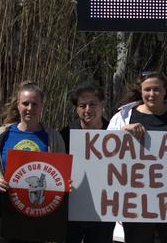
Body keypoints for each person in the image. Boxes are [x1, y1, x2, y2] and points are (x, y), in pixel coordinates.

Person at [108, 71, 167, 243]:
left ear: (165, 90)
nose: (151, 94)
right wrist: (123, 132)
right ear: (140, 91)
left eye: (156, 89)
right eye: (147, 89)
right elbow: (106, 153)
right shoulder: (123, 116)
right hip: (135, 201)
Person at [0, 81, 66, 243]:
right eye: (25, 103)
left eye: (35, 104)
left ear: (41, 106)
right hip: (3, 209)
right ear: (18, 105)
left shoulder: (53, 137)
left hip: (37, 212)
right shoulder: (2, 134)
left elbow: (59, 174)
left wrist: (64, 182)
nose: (30, 108)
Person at [59, 81, 114, 243]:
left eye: (93, 104)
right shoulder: (65, 134)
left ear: (102, 104)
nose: (88, 110)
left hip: (104, 211)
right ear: (76, 108)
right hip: (72, 209)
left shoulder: (115, 133)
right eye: (82, 105)